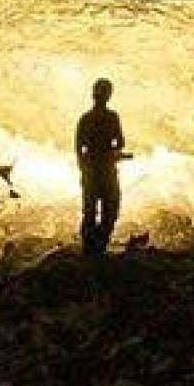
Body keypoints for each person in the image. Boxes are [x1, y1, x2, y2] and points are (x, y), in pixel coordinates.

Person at [74, 78, 127, 258]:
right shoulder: (112, 117)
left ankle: (89, 249)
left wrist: (83, 168)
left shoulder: (85, 118)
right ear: (108, 96)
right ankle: (99, 246)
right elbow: (120, 142)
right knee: (110, 209)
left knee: (90, 211)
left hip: (91, 170)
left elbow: (78, 148)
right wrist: (113, 153)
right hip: (106, 170)